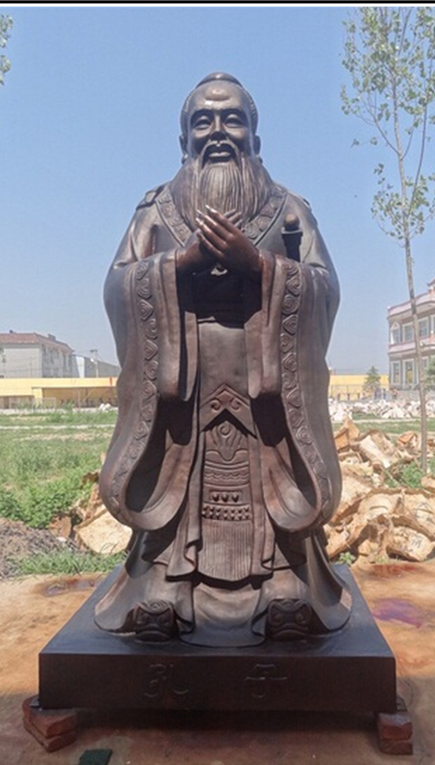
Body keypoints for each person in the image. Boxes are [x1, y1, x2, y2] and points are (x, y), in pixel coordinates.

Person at [95, 73, 350, 646]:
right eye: (201, 121)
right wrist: (177, 265)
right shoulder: (155, 210)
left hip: (268, 384)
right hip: (181, 380)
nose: (216, 132)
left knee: (274, 483)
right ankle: (164, 586)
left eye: (231, 119)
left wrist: (259, 267)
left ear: (254, 135)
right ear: (183, 139)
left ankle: (284, 584)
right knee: (176, 482)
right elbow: (117, 286)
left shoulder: (289, 209)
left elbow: (325, 287)